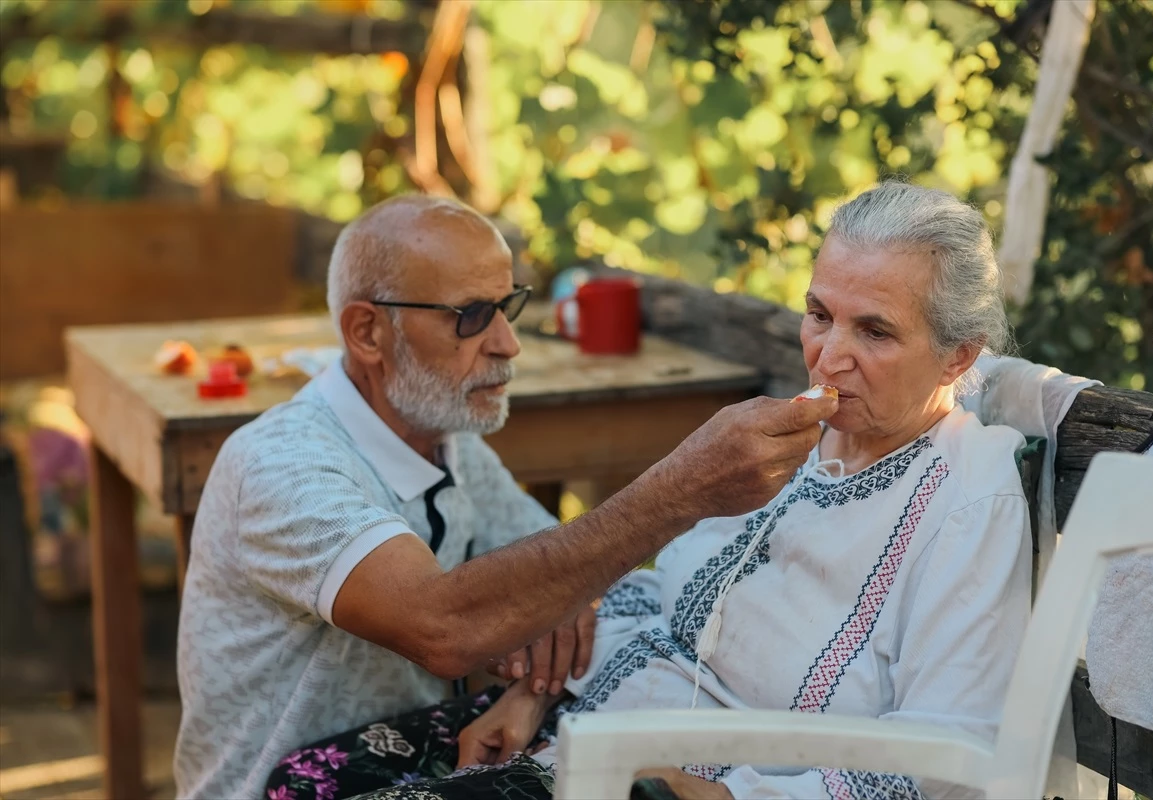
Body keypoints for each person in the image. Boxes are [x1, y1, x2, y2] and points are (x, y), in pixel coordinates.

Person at [264, 182, 1033, 800]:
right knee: (303, 782)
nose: (829, 358)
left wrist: (727, 799)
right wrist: (534, 691)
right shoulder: (786, 444)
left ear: (957, 356)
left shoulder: (967, 497)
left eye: (875, 332)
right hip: (591, 716)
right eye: (819, 315)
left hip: (687, 778)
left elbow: (949, 757)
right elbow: (665, 600)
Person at [173, 195, 836, 800]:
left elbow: (568, 580)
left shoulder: (443, 439)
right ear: (367, 333)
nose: (508, 344)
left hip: (412, 756)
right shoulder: (282, 467)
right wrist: (675, 494)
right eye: (471, 316)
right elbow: (444, 627)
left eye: (507, 305)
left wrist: (528, 673)